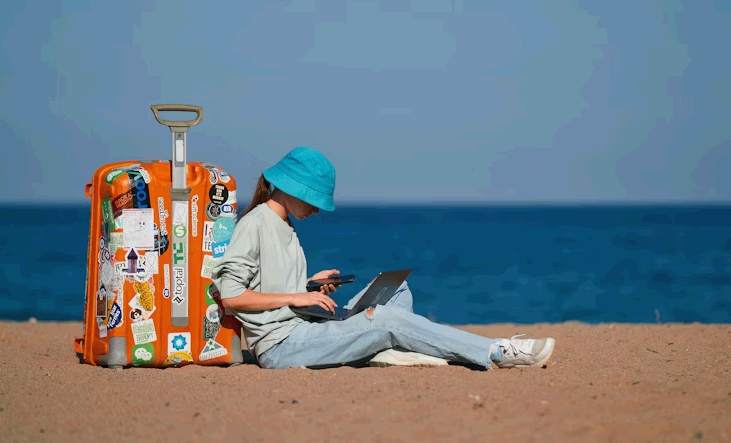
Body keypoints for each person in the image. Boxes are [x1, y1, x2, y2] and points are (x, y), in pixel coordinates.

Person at [210, 146, 556, 370]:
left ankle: (380, 351)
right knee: (387, 321)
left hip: (306, 325)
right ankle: (497, 351)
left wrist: (309, 284)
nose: (316, 208)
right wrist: (296, 296)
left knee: (397, 291)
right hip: (283, 345)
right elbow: (233, 295)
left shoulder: (283, 223)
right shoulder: (255, 224)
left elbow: (267, 283)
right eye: (313, 199)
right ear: (290, 188)